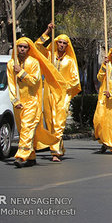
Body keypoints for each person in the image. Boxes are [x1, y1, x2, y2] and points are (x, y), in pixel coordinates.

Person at [7, 37, 66, 168]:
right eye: (20, 46)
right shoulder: (11, 64)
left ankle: (21, 156)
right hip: (18, 103)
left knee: (27, 127)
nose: (22, 49)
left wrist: (21, 72)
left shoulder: (33, 63)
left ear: (29, 49)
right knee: (23, 129)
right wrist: (14, 100)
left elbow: (34, 81)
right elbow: (11, 84)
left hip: (32, 101)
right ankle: (31, 156)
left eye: (25, 47)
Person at [35, 24, 81, 162]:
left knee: (59, 121)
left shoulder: (70, 61)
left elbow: (75, 80)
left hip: (63, 94)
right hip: (49, 90)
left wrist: (65, 86)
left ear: (67, 45)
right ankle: (58, 147)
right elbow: (37, 46)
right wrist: (47, 31)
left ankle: (55, 152)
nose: (61, 45)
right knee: (50, 121)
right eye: (59, 42)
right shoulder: (49, 55)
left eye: (64, 43)